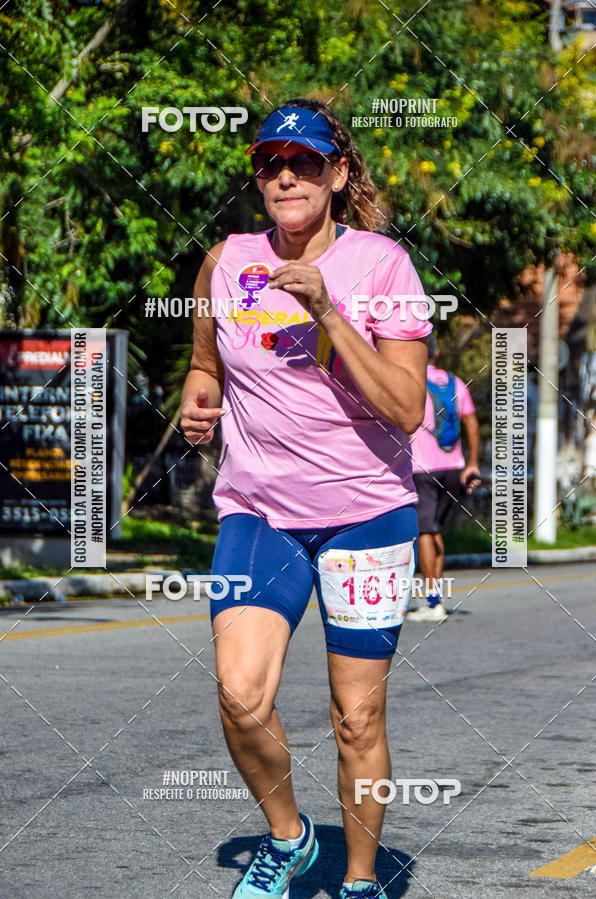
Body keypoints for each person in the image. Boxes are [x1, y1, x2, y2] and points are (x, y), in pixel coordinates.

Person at [181, 98, 432, 899]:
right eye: (270, 163)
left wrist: (324, 307)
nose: (285, 175)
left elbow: (405, 408)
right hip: (259, 511)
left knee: (356, 717)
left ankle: (359, 880)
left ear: (338, 171)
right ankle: (287, 837)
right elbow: (205, 366)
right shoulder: (225, 263)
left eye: (305, 161)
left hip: (367, 513)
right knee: (238, 690)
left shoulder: (383, 266)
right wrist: (197, 399)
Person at [405, 333, 481, 623]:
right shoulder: (455, 382)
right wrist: (472, 463)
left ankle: (433, 602)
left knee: (424, 531)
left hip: (422, 468)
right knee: (435, 532)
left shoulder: (409, 380)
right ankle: (435, 597)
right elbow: (471, 422)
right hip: (454, 467)